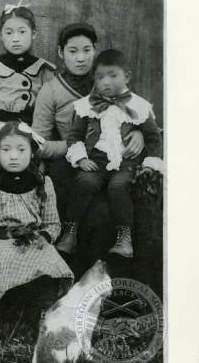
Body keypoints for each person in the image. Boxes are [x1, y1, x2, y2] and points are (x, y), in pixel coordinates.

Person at [32, 23, 145, 263]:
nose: (81, 58)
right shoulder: (50, 91)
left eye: (86, 50)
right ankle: (74, 279)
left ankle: (106, 281)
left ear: (95, 50)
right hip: (68, 163)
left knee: (112, 210)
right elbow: (38, 143)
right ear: (61, 53)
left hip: (110, 161)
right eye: (73, 51)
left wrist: (139, 134)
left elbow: (132, 115)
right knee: (91, 212)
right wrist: (76, 149)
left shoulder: (110, 82)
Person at [0, 121, 74, 328]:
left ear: (32, 153)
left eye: (21, 149)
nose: (13, 156)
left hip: (31, 240)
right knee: (6, 257)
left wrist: (42, 237)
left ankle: (40, 311)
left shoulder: (43, 183)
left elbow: (53, 224)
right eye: (6, 149)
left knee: (45, 257)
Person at [65, 49, 163, 258]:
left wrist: (149, 164)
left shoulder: (139, 106)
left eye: (112, 75)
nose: (105, 82)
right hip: (97, 160)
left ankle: (124, 239)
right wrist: (81, 158)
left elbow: (154, 138)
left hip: (127, 162)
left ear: (126, 76)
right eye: (99, 77)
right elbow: (74, 135)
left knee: (118, 186)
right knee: (85, 182)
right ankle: (69, 232)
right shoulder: (88, 105)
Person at [0, 0, 56, 135]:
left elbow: (48, 110)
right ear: (1, 35)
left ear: (34, 33)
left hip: (31, 131)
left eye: (22, 32)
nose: (15, 38)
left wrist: (41, 139)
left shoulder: (44, 69)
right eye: (9, 32)